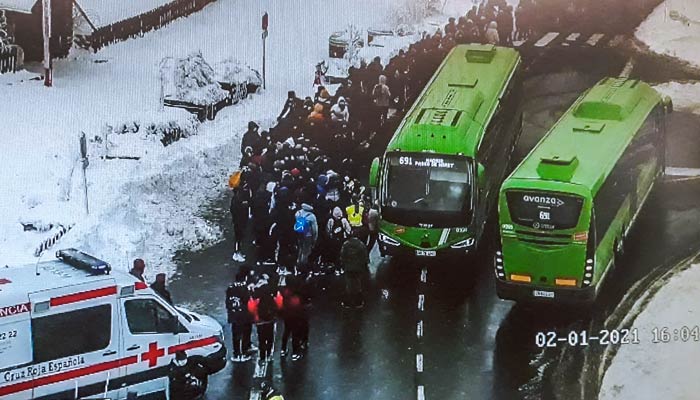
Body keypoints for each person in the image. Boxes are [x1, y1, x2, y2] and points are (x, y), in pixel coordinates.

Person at [226, 270, 253, 362]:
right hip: (244, 315)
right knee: (245, 333)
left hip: (234, 315)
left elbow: (228, 302)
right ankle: (245, 352)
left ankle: (236, 353)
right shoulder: (245, 288)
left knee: (236, 335)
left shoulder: (230, 288)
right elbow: (247, 300)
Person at [249, 280, 277, 362]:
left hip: (260, 322)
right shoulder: (271, 298)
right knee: (270, 338)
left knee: (261, 340)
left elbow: (251, 308)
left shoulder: (257, 299)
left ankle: (262, 356)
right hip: (270, 321)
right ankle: (269, 354)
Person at [340, 234, 370, 308]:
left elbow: (342, 256)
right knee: (357, 284)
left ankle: (347, 302)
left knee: (349, 284)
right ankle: (358, 302)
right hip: (358, 268)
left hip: (348, 268)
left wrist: (343, 265)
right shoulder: (361, 245)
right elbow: (365, 257)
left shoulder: (346, 244)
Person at [294, 203, 318, 273]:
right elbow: (315, 230)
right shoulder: (311, 216)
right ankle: (304, 267)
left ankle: (298, 265)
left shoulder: (298, 213)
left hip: (299, 233)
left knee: (300, 249)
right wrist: (314, 239)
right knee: (306, 251)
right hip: (308, 234)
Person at [230, 182, 251, 262]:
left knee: (240, 236)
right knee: (238, 237)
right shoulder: (236, 201)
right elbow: (235, 211)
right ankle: (236, 252)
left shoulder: (238, 200)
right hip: (238, 221)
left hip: (241, 220)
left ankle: (239, 251)